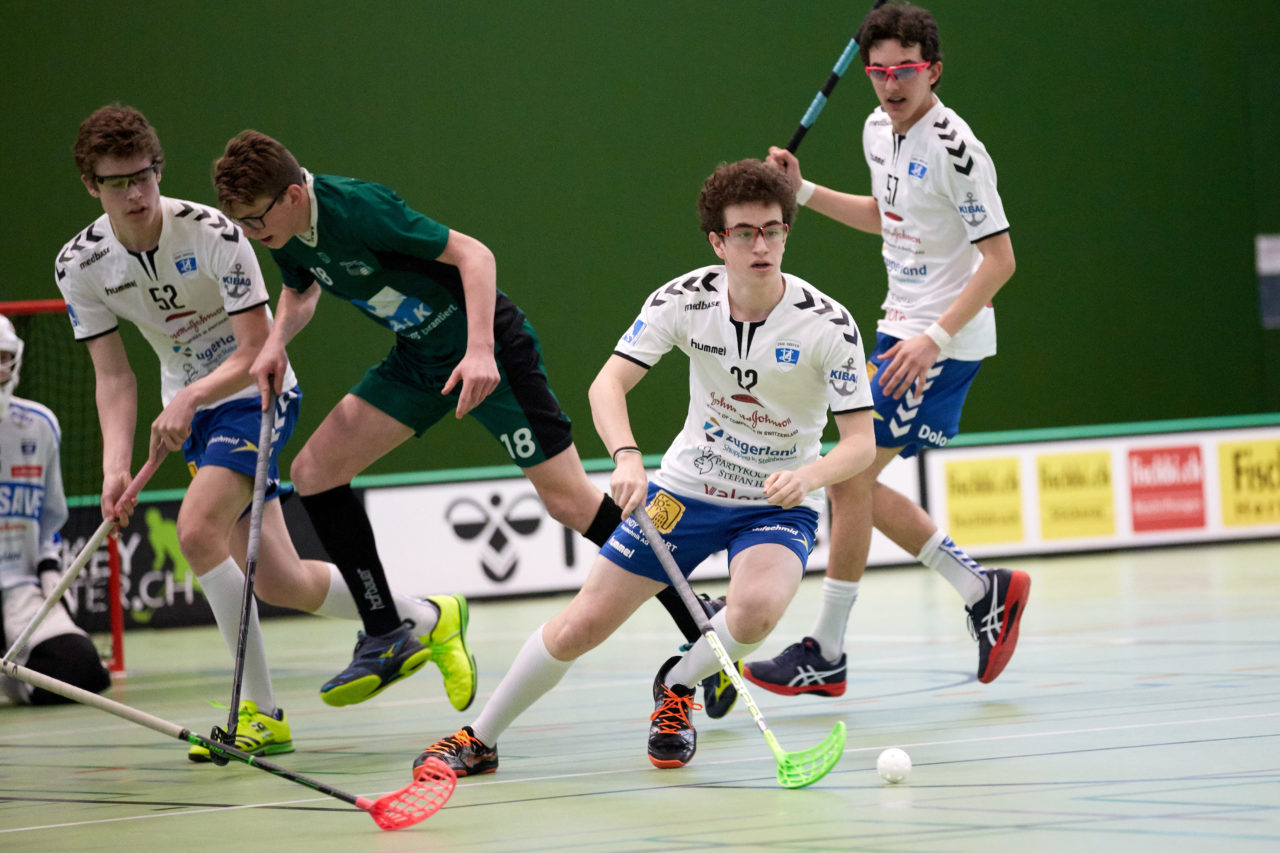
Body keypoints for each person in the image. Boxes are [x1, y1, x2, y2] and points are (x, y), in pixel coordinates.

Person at [211, 130, 722, 710]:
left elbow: (474, 255)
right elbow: (300, 286)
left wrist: (480, 349)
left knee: (571, 501)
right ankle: (387, 632)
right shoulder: (281, 229)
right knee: (315, 471)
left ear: (295, 194)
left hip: (490, 352)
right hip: (419, 360)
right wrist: (276, 341)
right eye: (244, 224)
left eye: (256, 220)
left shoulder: (358, 208)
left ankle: (697, 615)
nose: (253, 234)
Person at [416, 158, 876, 776]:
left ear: (787, 231)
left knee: (757, 611)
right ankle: (480, 738)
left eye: (772, 229)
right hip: (684, 492)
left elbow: (860, 445)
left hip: (777, 502)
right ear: (719, 241)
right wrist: (628, 457)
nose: (761, 244)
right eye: (744, 232)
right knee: (583, 624)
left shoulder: (827, 324)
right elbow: (608, 386)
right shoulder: (685, 300)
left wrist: (810, 475)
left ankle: (678, 686)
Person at [54, 105, 471, 760]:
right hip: (189, 410)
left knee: (195, 530)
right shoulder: (79, 265)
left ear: (158, 169)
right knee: (278, 579)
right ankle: (425, 615)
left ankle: (261, 712)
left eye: (143, 176)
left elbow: (254, 350)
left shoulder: (216, 233)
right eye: (116, 182)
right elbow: (115, 378)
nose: (134, 194)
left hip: (255, 394)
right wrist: (114, 467)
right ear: (91, 186)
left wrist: (193, 394)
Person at [750, 1, 1028, 696]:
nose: (889, 83)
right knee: (858, 480)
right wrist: (801, 191)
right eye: (878, 71)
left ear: (932, 69)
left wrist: (933, 341)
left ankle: (829, 649)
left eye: (904, 69)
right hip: (898, 324)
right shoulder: (877, 128)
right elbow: (889, 216)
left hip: (939, 339)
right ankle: (982, 589)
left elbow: (1000, 260)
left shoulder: (957, 148)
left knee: (846, 475)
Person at [0, 314, 112, 706]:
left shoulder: (39, 425)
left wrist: (49, 569)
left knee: (83, 670)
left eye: (4, 357)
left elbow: (50, 515)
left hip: (21, 589)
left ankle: (14, 680)